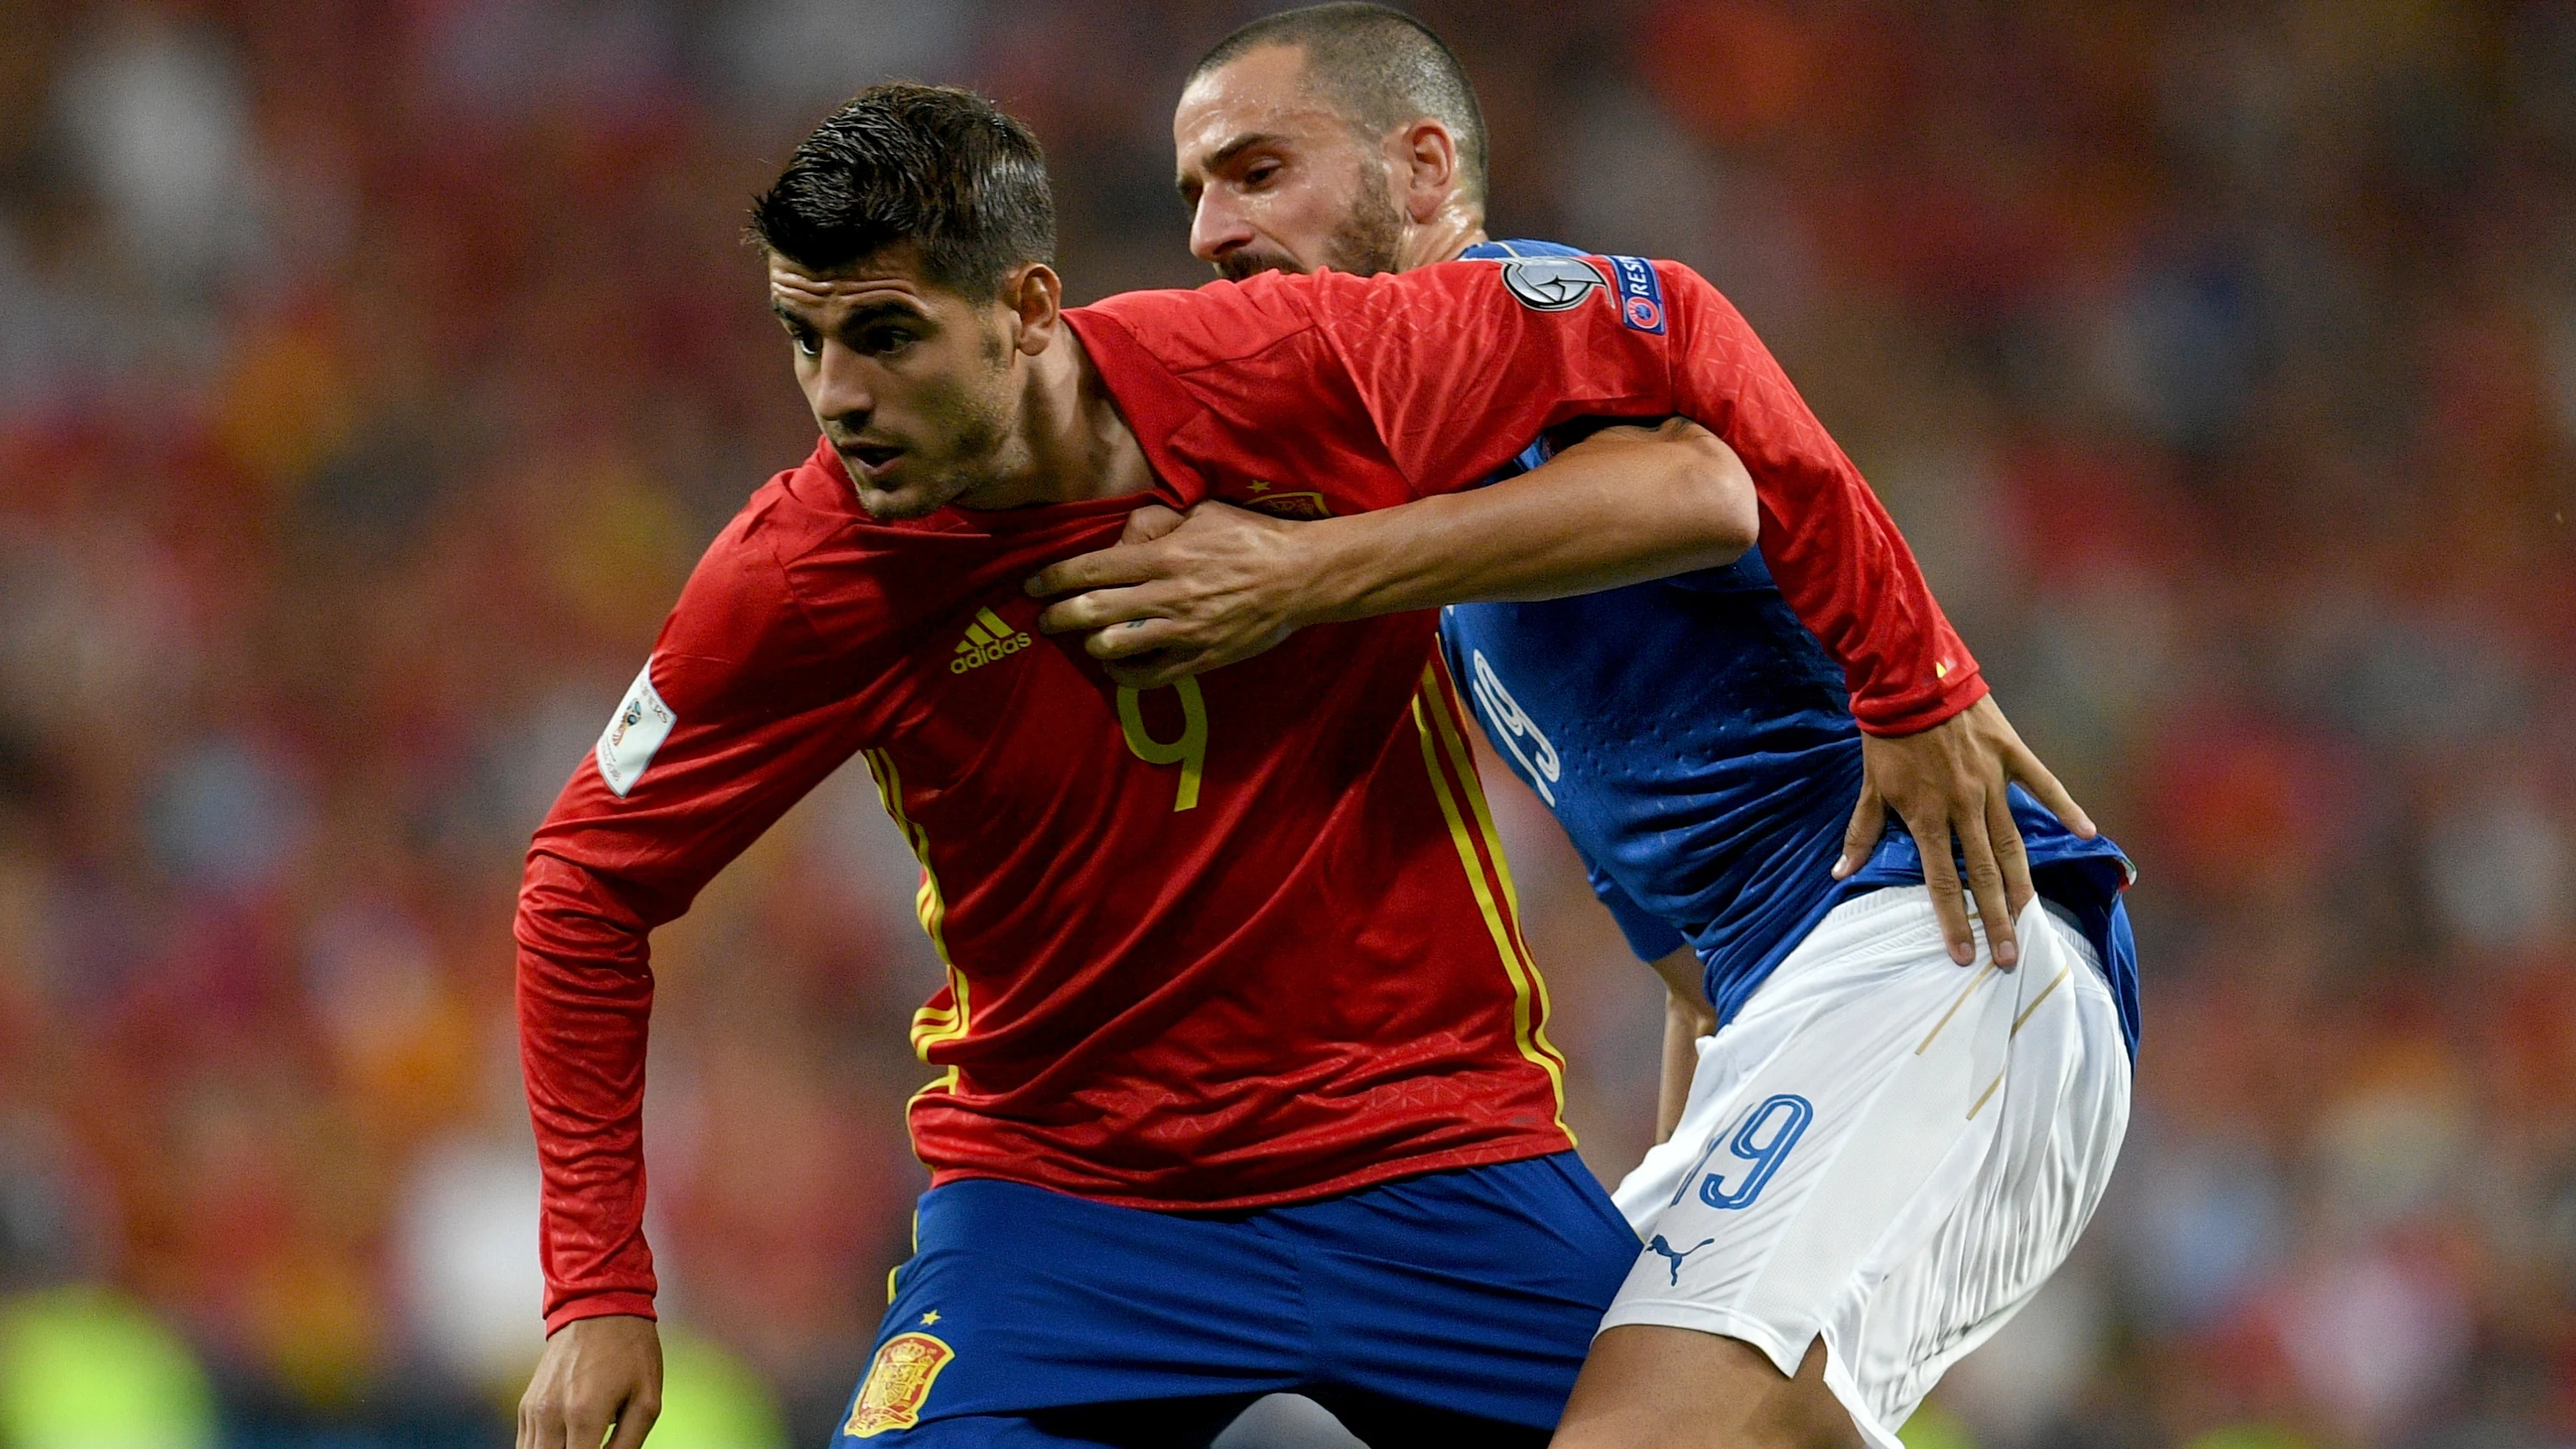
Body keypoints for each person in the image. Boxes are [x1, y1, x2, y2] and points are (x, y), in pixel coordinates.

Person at [511, 83, 1990, 1449]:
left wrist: (1912, 680)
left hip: (1434, 1153)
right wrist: (596, 1287)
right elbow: (582, 885)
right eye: (801, 337)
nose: (835, 396)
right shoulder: (797, 578)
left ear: (1027, 310)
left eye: (884, 336)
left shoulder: (1293, 367)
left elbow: (1670, 333)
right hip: (1067, 1204)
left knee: (1772, 1435)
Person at [1026, 8, 2138, 1448]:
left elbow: (1699, 488)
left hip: (1934, 937)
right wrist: (1678, 1165)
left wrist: (1293, 576)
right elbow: (1690, 975)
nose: (1210, 233)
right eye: (1193, 194)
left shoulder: (1487, 334)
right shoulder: (1450, 554)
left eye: (1254, 172)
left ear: (1422, 174)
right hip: (1814, 997)